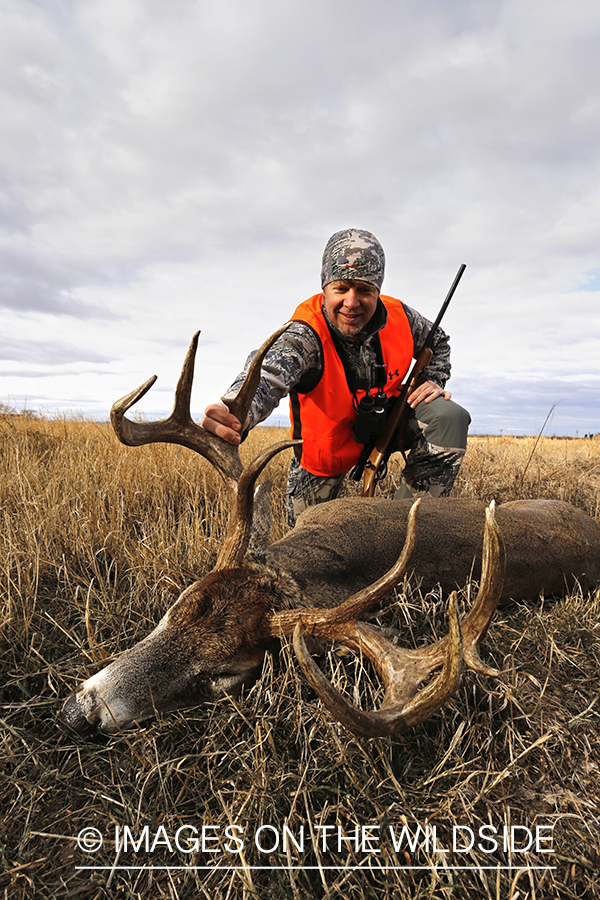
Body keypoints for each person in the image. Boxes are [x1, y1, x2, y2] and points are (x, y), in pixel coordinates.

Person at [202, 228, 470, 525]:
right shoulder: (303, 335)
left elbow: (439, 342)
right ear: (325, 288)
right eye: (341, 288)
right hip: (324, 456)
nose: (352, 302)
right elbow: (267, 374)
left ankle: (409, 529)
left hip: (386, 428)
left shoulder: (402, 317)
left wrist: (431, 379)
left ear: (378, 291)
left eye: (365, 289)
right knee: (306, 548)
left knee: (448, 417)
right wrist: (237, 410)